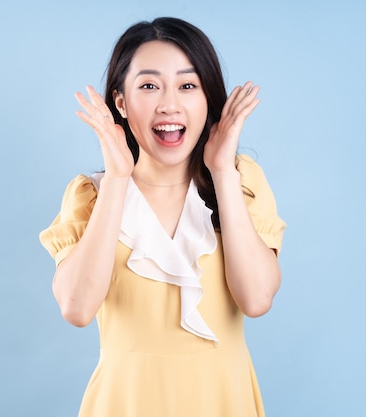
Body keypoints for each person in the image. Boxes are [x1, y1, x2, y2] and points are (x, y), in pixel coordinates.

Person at [39, 16, 286, 417]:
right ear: (120, 101)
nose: (169, 103)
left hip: (222, 401)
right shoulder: (90, 194)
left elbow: (256, 299)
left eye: (188, 85)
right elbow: (77, 308)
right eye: (149, 86)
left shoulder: (241, 183)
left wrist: (222, 171)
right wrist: (118, 177)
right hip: (125, 403)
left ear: (208, 99)